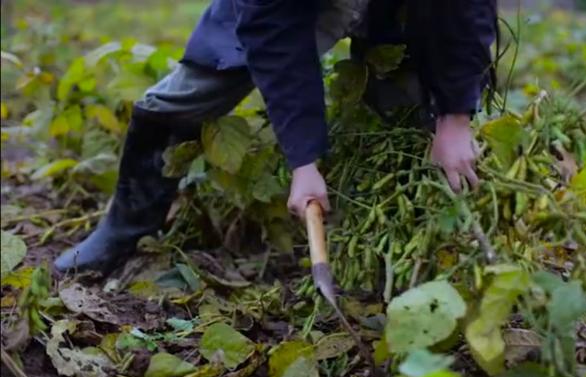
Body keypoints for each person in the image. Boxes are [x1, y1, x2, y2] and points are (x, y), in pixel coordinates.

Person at [52, 0, 498, 275]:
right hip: (286, 7)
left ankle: (402, 256)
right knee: (179, 101)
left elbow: (466, 8)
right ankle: (123, 231)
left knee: (404, 120)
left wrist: (456, 115)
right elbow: (272, 33)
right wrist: (303, 162)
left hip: (406, 9)